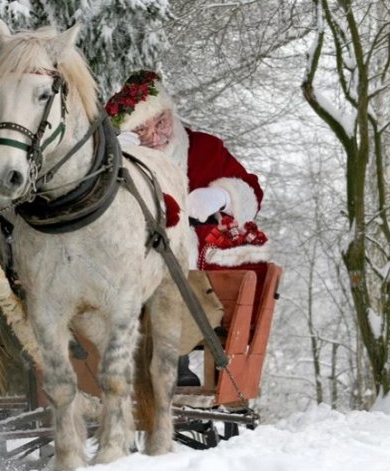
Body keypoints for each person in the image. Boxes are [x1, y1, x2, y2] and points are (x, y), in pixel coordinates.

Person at [106, 70, 270, 387]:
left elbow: (251, 191)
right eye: (141, 130)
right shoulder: (117, 157)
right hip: (129, 260)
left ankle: (175, 360)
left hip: (196, 268)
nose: (155, 136)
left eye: (161, 123)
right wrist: (119, 157)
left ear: (171, 113)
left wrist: (222, 196)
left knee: (177, 276)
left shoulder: (205, 148)